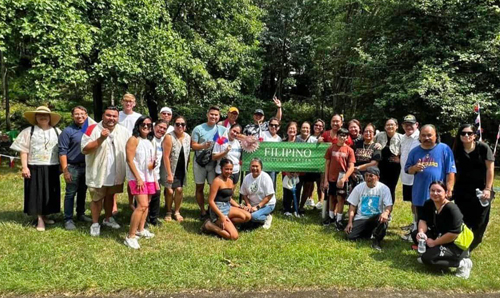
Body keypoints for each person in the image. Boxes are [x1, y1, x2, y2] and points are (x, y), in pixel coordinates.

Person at [10, 106, 62, 231]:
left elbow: (63, 149)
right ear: (35, 117)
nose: (42, 117)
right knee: (37, 193)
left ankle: (45, 215)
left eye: (45, 115)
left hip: (53, 166)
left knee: (50, 192)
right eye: (39, 115)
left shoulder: (57, 131)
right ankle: (39, 219)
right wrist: (24, 167)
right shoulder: (29, 131)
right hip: (34, 166)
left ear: (50, 117)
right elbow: (24, 150)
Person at [81, 106, 131, 236]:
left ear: (118, 117)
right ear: (103, 116)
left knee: (110, 196)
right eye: (108, 115)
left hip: (116, 172)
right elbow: (85, 149)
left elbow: (130, 149)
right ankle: (95, 223)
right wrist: (101, 139)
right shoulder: (92, 129)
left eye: (114, 116)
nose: (111, 119)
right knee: (97, 198)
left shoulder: (124, 131)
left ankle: (108, 218)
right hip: (98, 171)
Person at [414, 181, 472, 279]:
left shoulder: (451, 208)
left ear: (446, 193)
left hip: (455, 244)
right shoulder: (429, 203)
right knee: (415, 234)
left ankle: (462, 263)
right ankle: (435, 254)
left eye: (439, 191)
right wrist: (421, 232)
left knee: (427, 259)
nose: (435, 193)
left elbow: (453, 234)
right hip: (440, 236)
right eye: (432, 190)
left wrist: (434, 243)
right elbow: (423, 220)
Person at [452, 124, 494, 252]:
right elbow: (452, 171)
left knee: (480, 219)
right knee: (462, 218)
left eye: (469, 133)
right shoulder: (456, 150)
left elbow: (490, 169)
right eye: (463, 133)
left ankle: (472, 244)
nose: (466, 136)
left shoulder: (483, 148)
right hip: (461, 190)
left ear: (474, 135)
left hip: (481, 190)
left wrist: (487, 188)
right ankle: (462, 243)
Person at [405, 124, 456, 222]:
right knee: (422, 219)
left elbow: (450, 171)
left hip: (439, 193)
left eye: (429, 135)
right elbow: (407, 170)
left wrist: (449, 189)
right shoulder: (414, 152)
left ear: (435, 136)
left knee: (440, 220)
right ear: (419, 137)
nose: (426, 138)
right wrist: (414, 168)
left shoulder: (444, 149)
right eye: (423, 135)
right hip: (420, 192)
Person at [124, 116, 156, 249]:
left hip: (148, 177)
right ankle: (130, 236)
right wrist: (138, 178)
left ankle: (140, 229)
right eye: (143, 124)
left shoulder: (148, 141)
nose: (146, 127)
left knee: (146, 205)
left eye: (149, 125)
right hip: (138, 178)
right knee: (141, 205)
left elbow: (147, 163)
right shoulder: (133, 140)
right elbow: (130, 160)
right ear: (138, 125)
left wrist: (152, 169)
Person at [58, 106, 92, 230]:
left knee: (83, 191)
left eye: (82, 114)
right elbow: (62, 152)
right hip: (72, 167)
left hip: (87, 167)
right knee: (70, 193)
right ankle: (68, 219)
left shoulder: (90, 130)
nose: (80, 116)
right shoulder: (67, 131)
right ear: (72, 116)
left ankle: (81, 214)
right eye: (77, 114)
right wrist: (65, 170)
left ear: (87, 115)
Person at [202, 159, 252, 240]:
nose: (229, 171)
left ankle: (226, 223)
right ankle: (210, 225)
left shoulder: (230, 180)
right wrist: (221, 216)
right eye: (226, 169)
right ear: (221, 169)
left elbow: (229, 198)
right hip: (218, 210)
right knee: (234, 236)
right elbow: (210, 201)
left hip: (227, 207)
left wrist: (239, 206)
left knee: (247, 216)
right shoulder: (217, 181)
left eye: (230, 169)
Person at [345, 167, 392, 250]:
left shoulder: (384, 189)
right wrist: (350, 222)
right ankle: (369, 233)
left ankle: (377, 242)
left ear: (377, 177)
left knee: (383, 219)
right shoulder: (358, 188)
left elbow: (388, 205)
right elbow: (352, 206)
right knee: (350, 237)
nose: (368, 178)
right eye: (366, 175)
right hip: (361, 218)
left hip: (376, 217)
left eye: (371, 176)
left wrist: (386, 213)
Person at [191, 106, 226, 219]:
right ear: (207, 115)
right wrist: (203, 145)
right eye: (211, 114)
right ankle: (202, 211)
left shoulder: (222, 130)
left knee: (214, 187)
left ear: (219, 117)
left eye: (216, 115)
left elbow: (225, 141)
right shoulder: (198, 129)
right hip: (199, 162)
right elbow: (193, 146)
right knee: (199, 187)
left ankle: (212, 209)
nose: (213, 117)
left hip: (213, 163)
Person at [323, 128, 356, 230]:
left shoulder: (349, 150)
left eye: (344, 136)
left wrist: (344, 178)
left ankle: (339, 219)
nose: (342, 137)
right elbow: (327, 164)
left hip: (342, 179)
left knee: (340, 199)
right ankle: (331, 217)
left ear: (347, 138)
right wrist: (325, 180)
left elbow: (351, 167)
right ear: (337, 136)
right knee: (332, 198)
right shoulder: (331, 148)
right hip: (331, 178)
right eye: (340, 135)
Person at [162, 116, 191, 222]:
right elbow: (166, 156)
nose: (180, 126)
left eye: (182, 124)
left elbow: (187, 154)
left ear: (185, 127)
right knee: (169, 191)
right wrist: (169, 174)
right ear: (173, 126)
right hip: (169, 167)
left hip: (181, 168)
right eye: (177, 124)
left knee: (179, 189)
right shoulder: (169, 137)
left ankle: (177, 211)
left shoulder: (188, 137)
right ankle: (168, 211)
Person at [118, 93, 142, 216]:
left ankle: (132, 202)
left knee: (132, 177)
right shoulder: (117, 116)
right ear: (122, 102)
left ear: (134, 103)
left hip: (134, 150)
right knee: (116, 178)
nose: (128, 103)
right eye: (126, 101)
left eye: (131, 101)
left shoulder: (138, 117)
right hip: (118, 149)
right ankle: (114, 205)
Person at [399, 114, 420, 238]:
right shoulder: (403, 138)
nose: (408, 127)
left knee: (417, 202)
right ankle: (414, 223)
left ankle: (418, 229)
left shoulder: (420, 137)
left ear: (416, 125)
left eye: (411, 124)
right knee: (413, 202)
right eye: (406, 125)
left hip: (417, 176)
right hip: (406, 176)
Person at [240, 158, 276, 229]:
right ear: (250, 167)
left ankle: (267, 217)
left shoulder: (266, 177)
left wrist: (258, 207)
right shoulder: (247, 178)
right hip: (253, 205)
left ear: (261, 167)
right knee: (243, 215)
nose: (254, 168)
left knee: (253, 217)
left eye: (257, 166)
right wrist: (248, 204)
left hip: (267, 204)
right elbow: (243, 194)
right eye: (253, 166)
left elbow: (269, 195)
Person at [374, 118, 403, 204]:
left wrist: (400, 159)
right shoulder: (379, 135)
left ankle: (388, 210)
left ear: (396, 126)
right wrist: (376, 145)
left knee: (391, 188)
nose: (389, 126)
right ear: (385, 127)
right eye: (387, 125)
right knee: (379, 187)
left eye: (392, 124)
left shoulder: (401, 137)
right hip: (381, 166)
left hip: (394, 168)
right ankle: (378, 208)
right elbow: (371, 142)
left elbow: (406, 151)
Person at [147, 119, 168, 226]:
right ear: (155, 127)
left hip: (156, 173)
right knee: (147, 197)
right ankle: (145, 218)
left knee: (155, 195)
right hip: (148, 174)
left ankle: (153, 218)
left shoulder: (163, 140)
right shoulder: (150, 140)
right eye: (160, 127)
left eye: (164, 128)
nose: (162, 130)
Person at [296, 121, 318, 212]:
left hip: (309, 168)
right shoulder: (296, 139)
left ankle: (302, 206)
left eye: (307, 128)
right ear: (300, 129)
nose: (305, 129)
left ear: (310, 130)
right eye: (303, 127)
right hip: (298, 167)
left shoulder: (314, 140)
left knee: (307, 187)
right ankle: (295, 205)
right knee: (298, 186)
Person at [282, 122, 302, 216]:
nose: (292, 130)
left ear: (296, 131)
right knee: (287, 191)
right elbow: (280, 158)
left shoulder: (301, 143)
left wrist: (298, 172)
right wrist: (286, 172)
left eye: (294, 129)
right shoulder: (282, 143)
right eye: (290, 128)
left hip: (298, 172)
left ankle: (295, 209)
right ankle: (286, 209)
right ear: (287, 131)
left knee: (297, 191)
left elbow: (304, 159)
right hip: (286, 172)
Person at [311, 119, 326, 209]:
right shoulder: (309, 136)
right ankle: (310, 199)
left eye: (320, 126)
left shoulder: (324, 137)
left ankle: (321, 201)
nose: (318, 127)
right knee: (309, 184)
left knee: (320, 183)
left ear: (323, 128)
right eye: (316, 125)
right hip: (310, 163)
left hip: (321, 163)